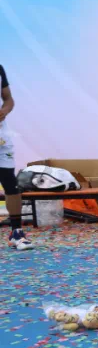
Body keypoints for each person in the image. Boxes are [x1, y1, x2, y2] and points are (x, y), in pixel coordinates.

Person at [0, 63, 32, 250]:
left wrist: (4, 110)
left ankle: (16, 233)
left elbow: (8, 99)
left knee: (10, 183)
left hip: (2, 138)